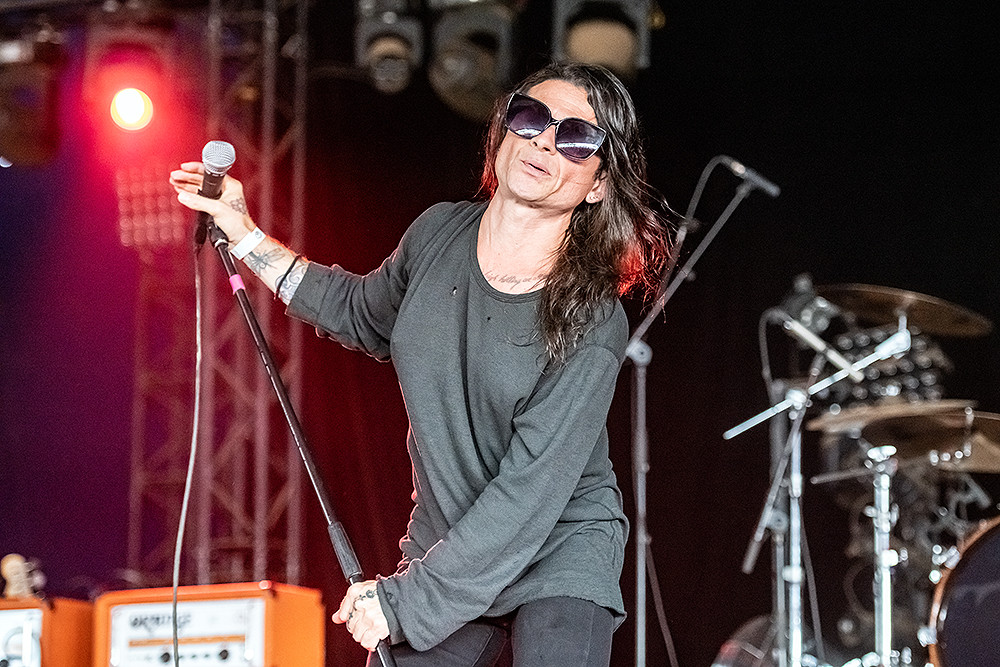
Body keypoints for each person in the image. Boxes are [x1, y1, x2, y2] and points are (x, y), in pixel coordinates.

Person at [171, 61, 671, 666]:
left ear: (597, 184)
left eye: (576, 138)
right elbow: (360, 312)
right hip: (450, 537)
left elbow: (526, 498)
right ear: (504, 130)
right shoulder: (437, 233)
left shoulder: (593, 319)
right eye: (532, 117)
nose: (545, 141)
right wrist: (245, 234)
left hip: (556, 551)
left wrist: (406, 602)